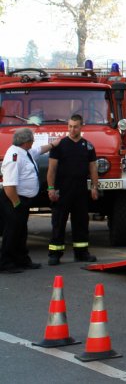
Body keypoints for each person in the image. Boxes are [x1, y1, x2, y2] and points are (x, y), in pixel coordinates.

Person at [46, 114, 99, 265]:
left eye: (75, 126)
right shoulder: (59, 145)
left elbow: (93, 168)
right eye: (69, 126)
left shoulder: (88, 146)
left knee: (81, 222)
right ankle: (54, 254)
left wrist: (95, 187)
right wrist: (50, 188)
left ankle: (81, 253)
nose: (72, 129)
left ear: (81, 127)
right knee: (58, 222)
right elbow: (52, 169)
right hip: (62, 190)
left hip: (80, 190)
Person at [1, 127, 53, 272]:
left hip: (22, 200)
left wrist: (53, 145)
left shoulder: (26, 152)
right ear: (26, 142)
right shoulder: (14, 156)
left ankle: (21, 260)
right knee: (12, 232)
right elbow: (9, 186)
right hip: (14, 200)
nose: (33, 142)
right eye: (32, 140)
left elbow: (39, 150)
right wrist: (17, 204)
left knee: (21, 232)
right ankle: (5, 263)